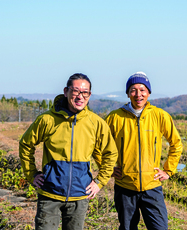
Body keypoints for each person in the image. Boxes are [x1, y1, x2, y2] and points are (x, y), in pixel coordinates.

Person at [19, 73, 118, 230]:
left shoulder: (96, 123)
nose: (80, 96)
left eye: (85, 92)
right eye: (76, 91)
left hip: (79, 196)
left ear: (89, 95)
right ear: (66, 91)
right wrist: (31, 174)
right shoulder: (47, 120)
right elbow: (25, 144)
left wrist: (100, 182)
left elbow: (110, 152)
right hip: (50, 194)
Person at [105, 72, 183, 230]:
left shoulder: (160, 115)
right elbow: (99, 146)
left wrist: (168, 171)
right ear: (128, 93)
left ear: (148, 92)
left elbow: (176, 143)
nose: (138, 94)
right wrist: (108, 169)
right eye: (133, 90)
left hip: (152, 187)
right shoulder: (115, 117)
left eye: (142, 89)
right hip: (125, 187)